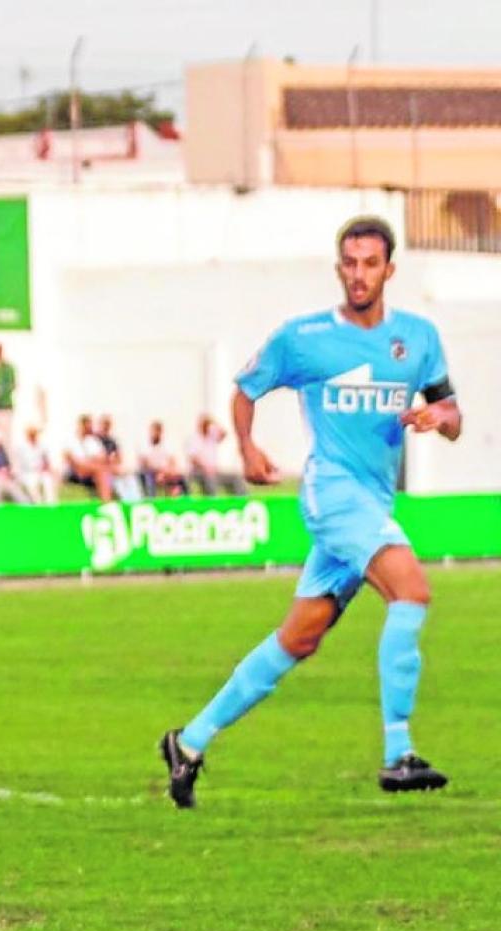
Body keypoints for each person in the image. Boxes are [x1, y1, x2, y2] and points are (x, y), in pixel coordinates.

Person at [161, 215, 462, 806]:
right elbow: (245, 389)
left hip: (372, 501)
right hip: (333, 493)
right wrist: (247, 447)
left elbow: (452, 413)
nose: (358, 274)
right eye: (349, 263)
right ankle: (398, 754)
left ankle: (189, 741)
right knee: (412, 590)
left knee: (299, 638)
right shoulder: (304, 337)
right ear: (338, 268)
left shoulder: (419, 338)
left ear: (389, 270)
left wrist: (438, 419)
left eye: (370, 263)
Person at [187, 414, 246, 495]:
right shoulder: (194, 439)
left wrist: (214, 422)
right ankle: (213, 502)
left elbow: (224, 433)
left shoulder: (211, 437)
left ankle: (241, 500)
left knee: (236, 477)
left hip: (214, 471)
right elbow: (193, 459)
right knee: (210, 478)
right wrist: (205, 467)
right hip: (198, 472)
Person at [62, 414, 115, 501]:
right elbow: (71, 459)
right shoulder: (70, 440)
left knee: (104, 470)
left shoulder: (93, 441)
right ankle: (107, 500)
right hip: (75, 471)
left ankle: (107, 499)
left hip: (92, 469)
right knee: (101, 470)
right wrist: (89, 461)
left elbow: (102, 457)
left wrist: (89, 462)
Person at [11, 426, 58, 504]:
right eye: (31, 433)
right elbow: (20, 465)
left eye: (35, 433)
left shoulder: (42, 445)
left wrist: (47, 468)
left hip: (40, 472)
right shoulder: (21, 447)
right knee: (32, 483)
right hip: (26, 473)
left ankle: (51, 505)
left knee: (48, 480)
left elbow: (46, 461)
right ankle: (38, 505)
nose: (33, 435)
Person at [139, 420, 186, 497]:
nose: (155, 434)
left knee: (178, 476)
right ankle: (152, 499)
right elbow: (146, 463)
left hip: (165, 472)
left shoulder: (167, 444)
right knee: (149, 477)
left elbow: (172, 461)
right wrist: (159, 472)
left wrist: (165, 472)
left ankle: (179, 497)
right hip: (151, 472)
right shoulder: (145, 445)